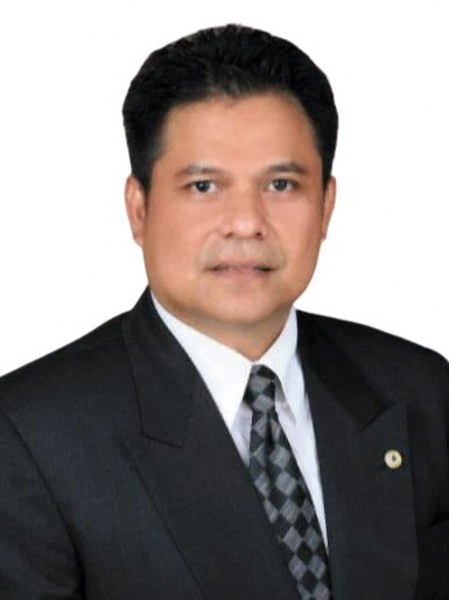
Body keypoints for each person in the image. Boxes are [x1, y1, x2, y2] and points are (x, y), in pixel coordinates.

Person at [0, 23, 448, 600]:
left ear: (326, 206)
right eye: (205, 187)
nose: (246, 222)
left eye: (281, 184)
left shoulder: (419, 388)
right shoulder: (30, 434)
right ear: (139, 208)